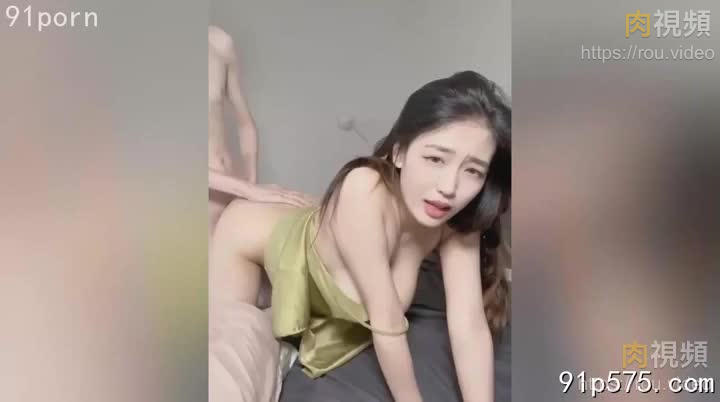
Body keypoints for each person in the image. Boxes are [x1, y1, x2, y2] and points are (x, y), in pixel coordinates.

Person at [210, 71, 511, 402]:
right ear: (399, 152)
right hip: (249, 238)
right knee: (236, 346)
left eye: (473, 171)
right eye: (435, 158)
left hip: (331, 247)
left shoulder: (457, 217)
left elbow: (468, 325)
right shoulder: (363, 187)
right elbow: (387, 324)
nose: (449, 187)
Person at [208, 25, 313, 239]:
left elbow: (245, 123)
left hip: (229, 190)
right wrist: (247, 190)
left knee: (300, 219)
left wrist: (251, 181)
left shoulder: (219, 43)